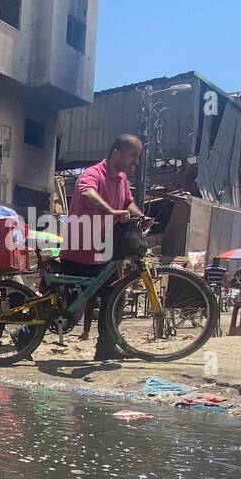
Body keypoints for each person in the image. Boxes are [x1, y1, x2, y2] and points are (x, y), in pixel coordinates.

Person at [57, 134, 147, 361]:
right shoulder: (92, 174)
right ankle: (26, 334)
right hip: (80, 250)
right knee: (68, 311)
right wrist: (111, 211)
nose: (135, 162)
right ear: (116, 153)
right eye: (133, 156)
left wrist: (140, 215)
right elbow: (87, 193)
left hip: (105, 251)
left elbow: (127, 202)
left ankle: (106, 347)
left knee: (114, 298)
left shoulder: (122, 178)